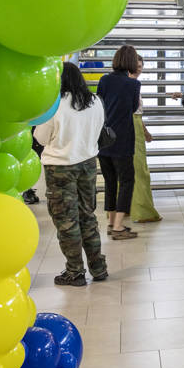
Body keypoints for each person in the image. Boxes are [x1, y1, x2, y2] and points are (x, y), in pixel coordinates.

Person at [34, 63, 108, 285]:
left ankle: (75, 271)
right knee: (87, 215)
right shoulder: (95, 101)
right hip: (87, 164)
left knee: (67, 221)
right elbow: (99, 130)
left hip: (60, 168)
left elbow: (41, 137)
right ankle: (98, 267)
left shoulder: (55, 105)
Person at [97, 45, 141, 240]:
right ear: (131, 62)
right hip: (123, 139)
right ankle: (118, 226)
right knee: (126, 180)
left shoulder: (104, 80)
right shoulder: (133, 85)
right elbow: (132, 108)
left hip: (104, 139)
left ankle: (110, 221)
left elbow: (99, 104)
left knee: (109, 182)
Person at [129, 55, 161, 224]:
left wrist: (145, 131)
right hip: (132, 129)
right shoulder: (132, 85)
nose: (139, 68)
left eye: (141, 65)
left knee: (130, 170)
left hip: (133, 127)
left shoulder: (127, 84)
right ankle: (143, 211)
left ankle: (128, 209)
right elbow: (135, 113)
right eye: (137, 65)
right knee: (140, 170)